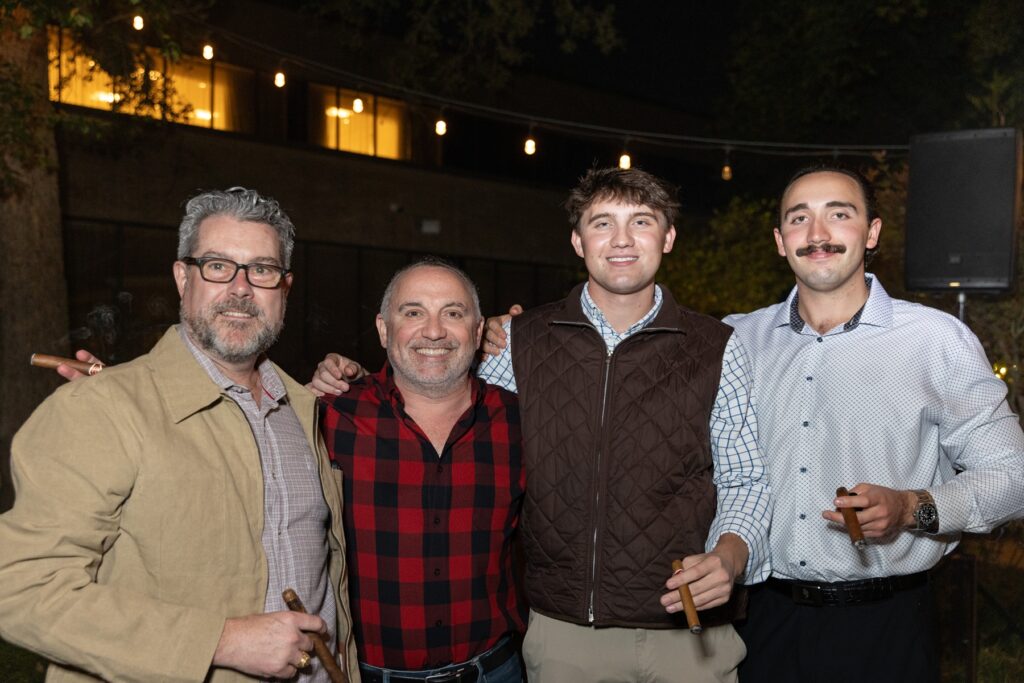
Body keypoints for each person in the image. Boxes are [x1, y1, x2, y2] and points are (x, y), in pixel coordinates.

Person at [315, 167, 771, 682]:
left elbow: (744, 478)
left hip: (689, 632)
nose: (621, 240)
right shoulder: (519, 342)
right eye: (602, 224)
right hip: (562, 634)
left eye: (641, 222)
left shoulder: (716, 346)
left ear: (668, 237)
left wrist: (731, 556)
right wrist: (341, 378)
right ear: (578, 241)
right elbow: (432, 376)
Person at [0, 188, 360, 683]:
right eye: (217, 265)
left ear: (285, 287)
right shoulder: (101, 409)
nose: (241, 288)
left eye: (262, 270)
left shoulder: (303, 412)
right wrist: (221, 640)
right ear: (181, 277)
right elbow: (19, 586)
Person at [723, 164, 1024, 682]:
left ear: (872, 232)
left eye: (839, 215)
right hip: (760, 625)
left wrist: (912, 507)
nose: (817, 234)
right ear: (779, 240)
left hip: (886, 630)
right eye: (799, 219)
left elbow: (1013, 476)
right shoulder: (734, 340)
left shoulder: (936, 341)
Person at [317, 259, 526, 683]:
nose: (434, 331)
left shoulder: (520, 420)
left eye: (453, 313)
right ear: (382, 329)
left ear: (479, 327)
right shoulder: (330, 416)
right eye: (413, 312)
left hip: (495, 671)